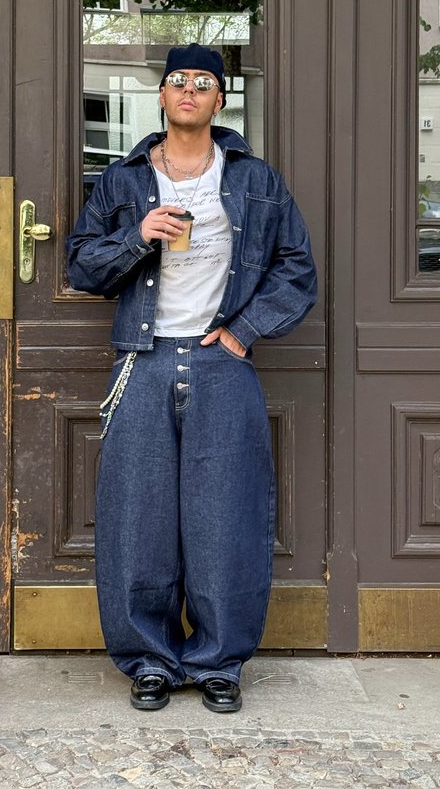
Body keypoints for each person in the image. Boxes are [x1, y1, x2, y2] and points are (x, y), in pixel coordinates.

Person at [67, 43, 317, 712]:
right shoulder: (121, 181)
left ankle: (218, 663)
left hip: (219, 362)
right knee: (137, 519)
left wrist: (242, 332)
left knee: (224, 518)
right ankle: (149, 659)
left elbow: (298, 269)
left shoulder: (256, 179)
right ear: (162, 95)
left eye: (203, 82)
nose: (188, 90)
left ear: (220, 99)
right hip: (142, 361)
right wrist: (135, 236)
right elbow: (80, 267)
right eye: (177, 80)